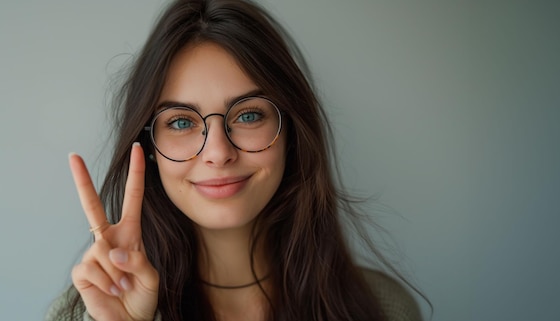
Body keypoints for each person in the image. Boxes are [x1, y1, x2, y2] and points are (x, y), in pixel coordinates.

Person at [46, 0, 427, 320]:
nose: (218, 153)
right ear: (148, 147)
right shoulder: (89, 312)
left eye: (248, 115)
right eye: (181, 121)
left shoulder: (384, 307)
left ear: (292, 131)